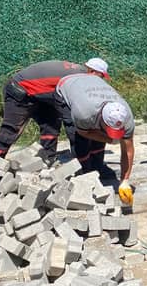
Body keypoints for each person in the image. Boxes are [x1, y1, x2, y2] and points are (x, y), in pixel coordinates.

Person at [0, 58, 110, 175]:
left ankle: (47, 159)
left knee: (52, 123)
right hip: (20, 89)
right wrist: (85, 166)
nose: (101, 81)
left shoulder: (80, 74)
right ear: (92, 71)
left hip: (42, 93)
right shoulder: (76, 80)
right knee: (11, 131)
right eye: (101, 76)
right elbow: (72, 125)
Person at [55, 73, 135, 205]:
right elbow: (83, 132)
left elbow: (128, 150)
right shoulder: (83, 113)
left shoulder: (127, 117)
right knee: (78, 140)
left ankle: (97, 169)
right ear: (102, 119)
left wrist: (124, 181)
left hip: (93, 83)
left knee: (99, 139)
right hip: (66, 85)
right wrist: (109, 140)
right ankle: (85, 176)